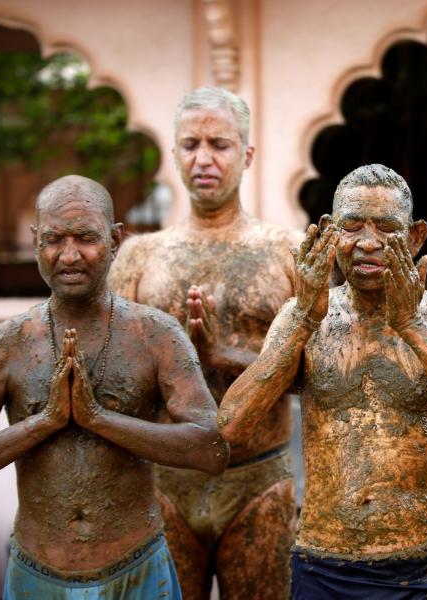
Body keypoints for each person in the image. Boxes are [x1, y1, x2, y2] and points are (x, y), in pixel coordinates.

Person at [218, 164, 427, 599]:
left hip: (421, 562)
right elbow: (231, 426)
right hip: (323, 561)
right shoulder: (302, 317)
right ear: (330, 234)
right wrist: (303, 319)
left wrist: (412, 325)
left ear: (415, 237)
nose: (368, 243)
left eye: (387, 229)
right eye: (352, 227)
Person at [0, 175, 228, 600]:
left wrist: (98, 419)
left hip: (137, 568)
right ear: (36, 242)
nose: (69, 255)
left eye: (86, 237)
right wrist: (45, 422)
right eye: (54, 239)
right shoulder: (9, 342)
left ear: (115, 239)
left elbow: (212, 450)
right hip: (37, 572)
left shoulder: (156, 335)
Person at [108, 87, 303, 599]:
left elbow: (324, 372)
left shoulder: (286, 251)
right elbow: (107, 369)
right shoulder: (139, 257)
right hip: (164, 481)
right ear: (174, 153)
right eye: (190, 144)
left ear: (247, 154)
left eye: (219, 144)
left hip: (260, 479)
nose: (204, 158)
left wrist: (225, 356)